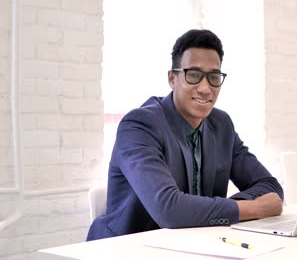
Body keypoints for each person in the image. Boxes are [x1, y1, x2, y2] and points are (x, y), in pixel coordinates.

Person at [87, 29, 284, 241]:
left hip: (191, 244)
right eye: (193, 75)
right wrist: (251, 209)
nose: (205, 88)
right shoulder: (139, 126)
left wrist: (212, 211)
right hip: (126, 247)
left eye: (214, 77)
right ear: (172, 78)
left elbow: (270, 187)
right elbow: (168, 209)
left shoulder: (221, 125)